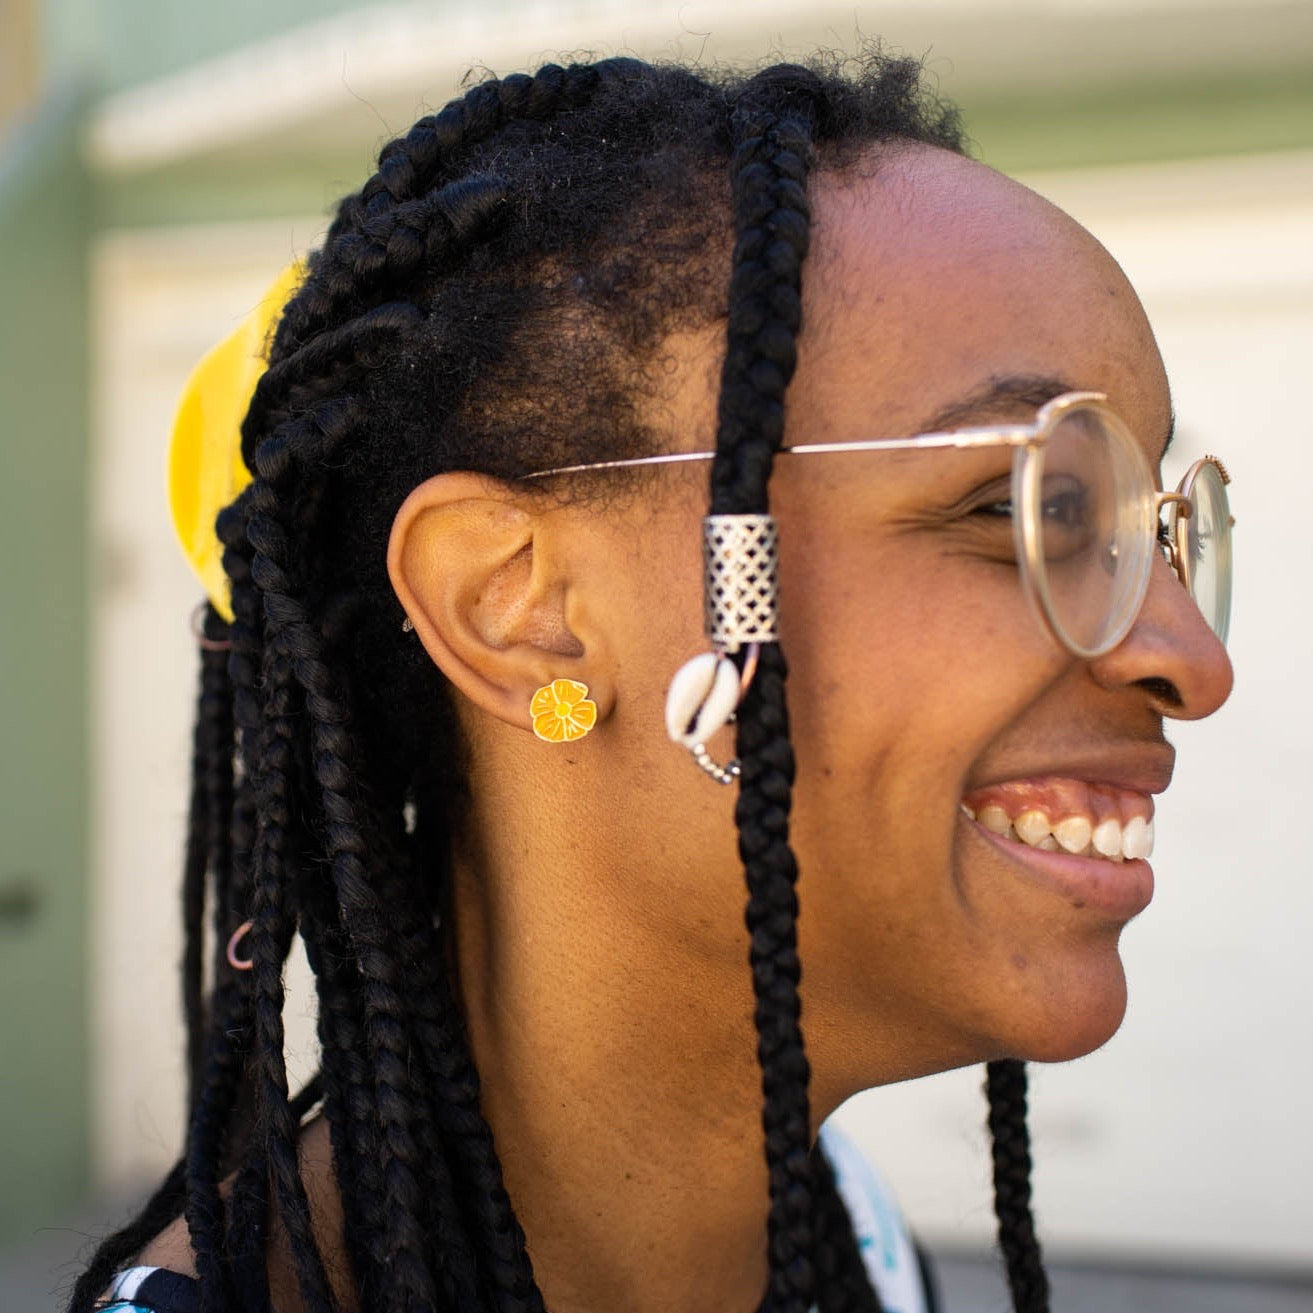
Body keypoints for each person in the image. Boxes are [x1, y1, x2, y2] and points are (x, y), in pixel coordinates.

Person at [73, 49, 1234, 1313]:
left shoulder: (851, 1237)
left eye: (1155, 526)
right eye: (1036, 501)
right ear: (518, 608)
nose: (1187, 656)